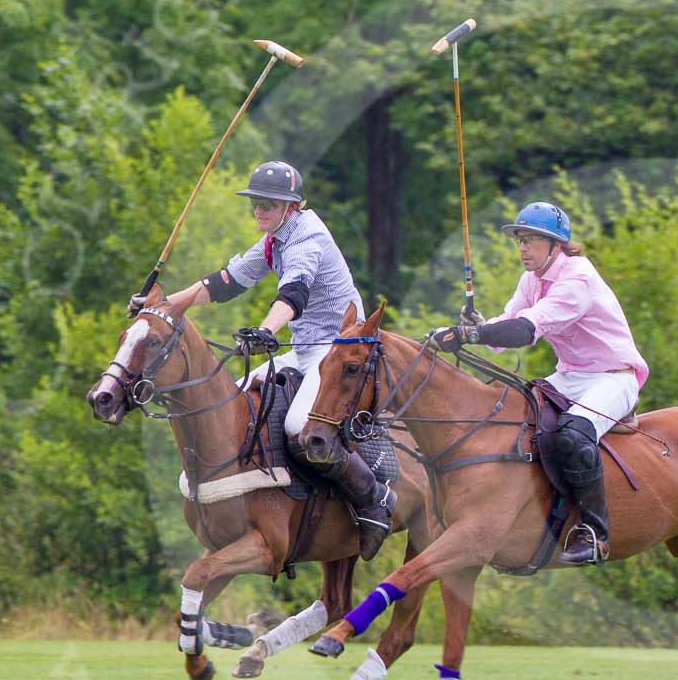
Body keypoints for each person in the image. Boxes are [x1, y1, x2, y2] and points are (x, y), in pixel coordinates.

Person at [142, 160, 395, 558]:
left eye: (270, 204)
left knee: (297, 424)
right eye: (256, 203)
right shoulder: (274, 239)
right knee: (231, 406)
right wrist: (160, 306)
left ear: (292, 207)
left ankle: (371, 498)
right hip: (305, 349)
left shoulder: (306, 238)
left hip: (337, 353)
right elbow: (226, 281)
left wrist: (265, 330)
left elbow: (293, 293)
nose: (260, 210)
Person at [433, 201, 647, 565]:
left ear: (556, 245)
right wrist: (476, 329)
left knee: (572, 436)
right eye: (520, 240)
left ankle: (595, 533)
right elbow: (505, 328)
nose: (522, 248)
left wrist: (467, 335)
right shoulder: (530, 281)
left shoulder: (577, 278)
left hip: (613, 377)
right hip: (570, 376)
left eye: (531, 240)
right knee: (511, 414)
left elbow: (527, 328)